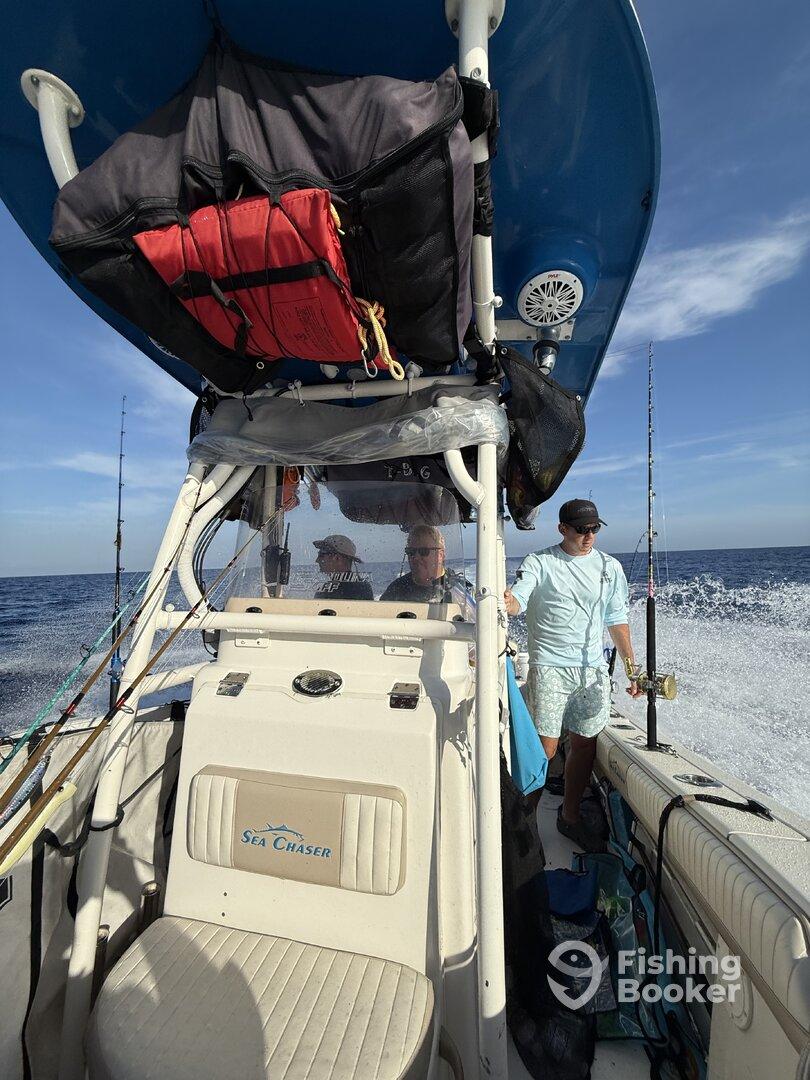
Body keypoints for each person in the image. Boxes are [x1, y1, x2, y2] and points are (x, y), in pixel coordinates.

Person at [504, 498, 642, 851]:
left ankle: (569, 817)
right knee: (546, 750)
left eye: (594, 528)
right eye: (581, 529)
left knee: (585, 743)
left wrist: (632, 670)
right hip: (549, 666)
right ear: (562, 529)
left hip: (591, 669)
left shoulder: (610, 568)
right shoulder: (540, 562)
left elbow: (617, 620)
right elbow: (518, 600)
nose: (589, 535)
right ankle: (522, 827)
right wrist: (507, 602)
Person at [380, 525, 457, 603]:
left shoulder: (457, 590)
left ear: (440, 555)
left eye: (423, 551)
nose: (416, 557)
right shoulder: (395, 590)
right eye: (411, 552)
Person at [312, 534, 373, 601]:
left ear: (337, 558)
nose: (317, 560)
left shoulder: (329, 591)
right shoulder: (363, 586)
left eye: (321, 555)